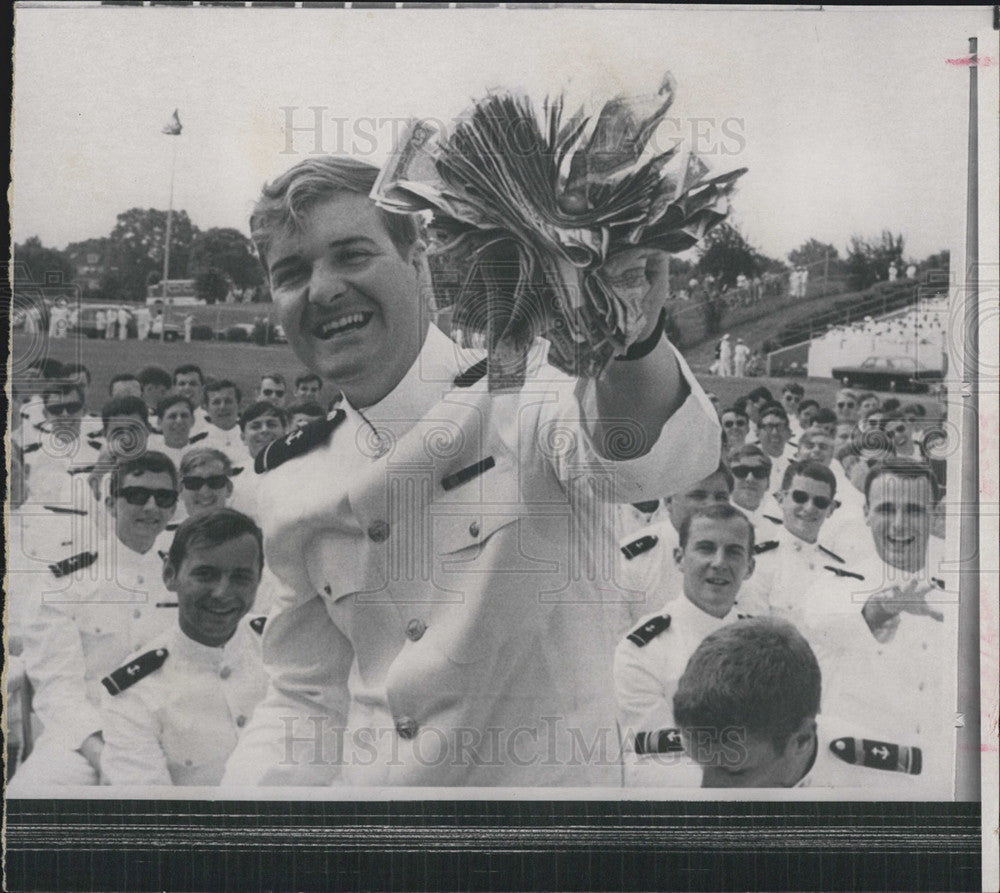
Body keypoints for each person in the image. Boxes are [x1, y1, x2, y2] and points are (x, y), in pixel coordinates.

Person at [221, 155, 720, 787]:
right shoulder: (289, 476)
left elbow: (647, 464)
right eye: (291, 273)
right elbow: (306, 697)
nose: (321, 290)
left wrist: (635, 339)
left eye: (351, 255)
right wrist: (236, 822)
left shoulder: (533, 390)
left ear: (419, 259)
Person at [9, 453, 180, 790]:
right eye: (135, 495)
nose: (150, 506)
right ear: (111, 503)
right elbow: (58, 688)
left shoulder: (186, 578)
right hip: (87, 733)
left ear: (174, 508)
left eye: (163, 497)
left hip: (172, 731)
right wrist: (99, 753)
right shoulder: (67, 580)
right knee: (32, 797)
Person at [798, 459, 956, 789]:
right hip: (857, 778)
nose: (899, 524)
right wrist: (883, 608)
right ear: (867, 513)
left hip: (941, 779)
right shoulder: (834, 582)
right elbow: (828, 622)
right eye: (886, 510)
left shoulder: (959, 584)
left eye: (913, 510)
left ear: (933, 514)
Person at [99, 510, 269, 786]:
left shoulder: (284, 650)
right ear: (170, 574)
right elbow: (152, 814)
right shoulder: (135, 692)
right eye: (205, 574)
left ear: (259, 580)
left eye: (241, 578)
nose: (222, 593)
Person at [672, 617, 927, 790]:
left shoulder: (885, 787)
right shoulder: (641, 768)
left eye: (734, 772)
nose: (705, 792)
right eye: (694, 758)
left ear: (802, 741)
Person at [614, 504, 755, 751]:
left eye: (733, 552)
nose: (719, 562)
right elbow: (656, 761)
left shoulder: (766, 641)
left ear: (749, 567)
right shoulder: (643, 650)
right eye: (706, 548)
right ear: (679, 559)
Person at [736, 461, 854, 622]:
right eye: (800, 497)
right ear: (780, 499)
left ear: (831, 509)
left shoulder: (839, 569)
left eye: (820, 502)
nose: (809, 508)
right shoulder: (759, 564)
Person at [618, 465, 734, 625]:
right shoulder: (632, 560)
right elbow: (616, 637)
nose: (711, 506)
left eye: (721, 497)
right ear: (668, 500)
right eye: (698, 496)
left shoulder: (739, 556)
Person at [147, 394, 209, 468]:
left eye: (184, 415)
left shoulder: (204, 452)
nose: (179, 421)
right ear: (159, 422)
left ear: (192, 420)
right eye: (172, 416)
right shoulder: (150, 453)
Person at [727, 444, 780, 527]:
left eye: (759, 472)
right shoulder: (717, 520)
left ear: (768, 482)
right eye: (741, 472)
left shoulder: (779, 521)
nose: (750, 478)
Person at [177, 448, 235, 522]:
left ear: (229, 489)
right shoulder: (165, 533)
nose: (205, 492)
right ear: (180, 490)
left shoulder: (248, 531)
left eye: (214, 481)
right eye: (194, 483)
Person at [202, 379, 249, 466]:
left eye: (228, 401)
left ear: (239, 405)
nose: (222, 407)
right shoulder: (199, 441)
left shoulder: (251, 435)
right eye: (216, 402)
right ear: (206, 408)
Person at [173, 364, 211, 432]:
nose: (187, 388)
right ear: (174, 389)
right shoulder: (162, 422)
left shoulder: (212, 422)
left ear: (202, 388)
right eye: (182, 384)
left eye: (193, 384)